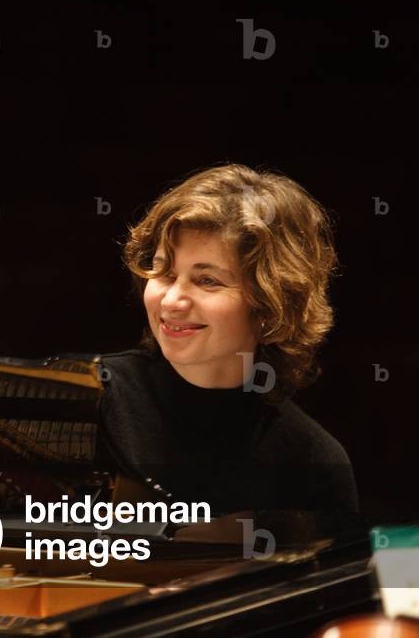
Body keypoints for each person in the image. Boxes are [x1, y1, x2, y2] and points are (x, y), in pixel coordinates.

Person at [97, 163, 359, 514]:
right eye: (164, 272)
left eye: (207, 281)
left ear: (270, 306)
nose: (172, 300)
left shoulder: (314, 463)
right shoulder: (90, 404)